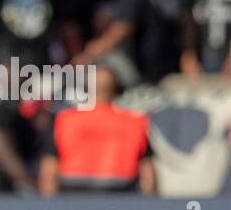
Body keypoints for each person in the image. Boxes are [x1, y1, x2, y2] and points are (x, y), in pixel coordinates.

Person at [39, 67, 156, 195]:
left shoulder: (64, 120)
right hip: (121, 198)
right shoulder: (135, 122)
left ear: (86, 89)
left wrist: (49, 208)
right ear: (116, 88)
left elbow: (49, 173)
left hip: (72, 198)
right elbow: (148, 175)